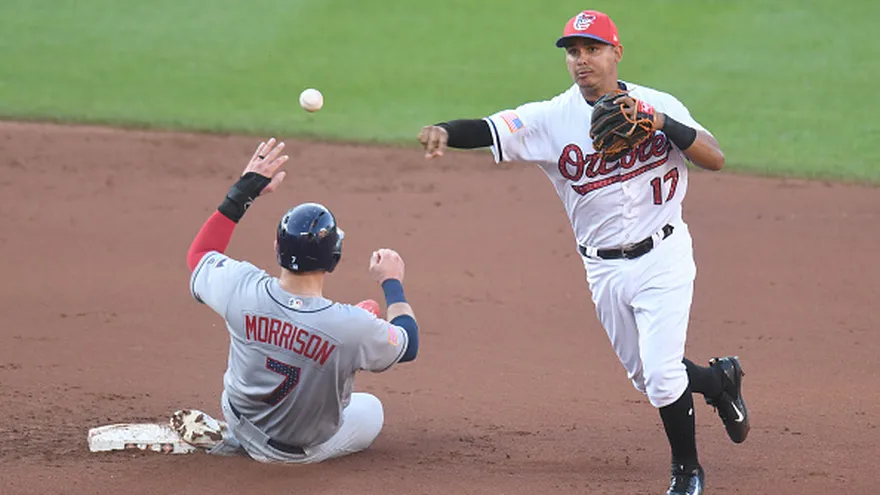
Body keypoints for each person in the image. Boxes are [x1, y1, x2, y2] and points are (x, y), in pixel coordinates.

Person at [417, 10, 747, 495]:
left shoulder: (656, 103)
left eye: (592, 49)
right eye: (573, 51)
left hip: (665, 255)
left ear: (616, 53)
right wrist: (445, 130)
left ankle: (687, 470)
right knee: (649, 378)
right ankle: (719, 382)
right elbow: (490, 129)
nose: (581, 60)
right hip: (603, 269)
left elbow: (714, 157)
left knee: (661, 377)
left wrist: (658, 122)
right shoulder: (553, 119)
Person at [172, 137, 420, 464]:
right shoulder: (349, 326)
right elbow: (408, 342)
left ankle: (236, 437)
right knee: (372, 409)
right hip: (293, 454)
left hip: (239, 418)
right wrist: (392, 282)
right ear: (334, 259)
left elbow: (200, 254)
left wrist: (245, 189)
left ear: (277, 249)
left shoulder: (241, 287)